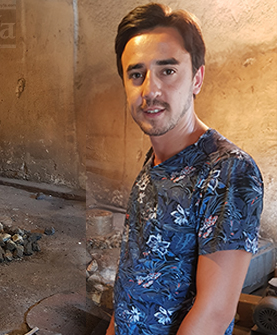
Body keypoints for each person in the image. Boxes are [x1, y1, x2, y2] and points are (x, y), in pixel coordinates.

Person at [107, 3, 263, 334]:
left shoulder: (228, 171)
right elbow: (131, 281)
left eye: (168, 70)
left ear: (197, 78)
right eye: (136, 74)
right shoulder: (153, 163)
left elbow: (214, 314)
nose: (149, 90)